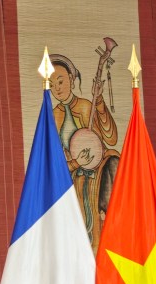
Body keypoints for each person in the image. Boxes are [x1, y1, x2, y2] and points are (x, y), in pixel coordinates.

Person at [50, 52, 120, 251]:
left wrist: (99, 102)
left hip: (99, 174)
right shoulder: (53, 116)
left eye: (61, 81)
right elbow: (53, 162)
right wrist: (75, 163)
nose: (57, 88)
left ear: (71, 79)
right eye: (52, 85)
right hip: (73, 178)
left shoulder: (85, 106)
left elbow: (110, 138)